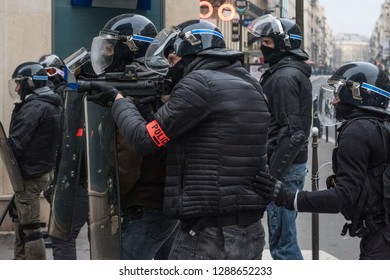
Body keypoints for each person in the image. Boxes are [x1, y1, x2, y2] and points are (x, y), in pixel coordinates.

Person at [88, 19, 271, 260]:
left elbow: (145, 139)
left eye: (172, 60)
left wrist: (118, 101)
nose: (170, 68)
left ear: (189, 53)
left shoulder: (198, 83)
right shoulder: (250, 83)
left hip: (209, 233)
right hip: (249, 228)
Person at [254, 61, 390, 260]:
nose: (334, 101)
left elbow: (344, 197)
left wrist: (287, 197)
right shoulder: (381, 126)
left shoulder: (356, 132)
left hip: (379, 240)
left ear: (357, 93)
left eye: (338, 93)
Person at [89, 13, 178, 259]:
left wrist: (112, 195)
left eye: (110, 46)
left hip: (145, 203)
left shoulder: (137, 87)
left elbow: (127, 155)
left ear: (130, 47)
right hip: (163, 200)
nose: (106, 52)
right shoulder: (156, 80)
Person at [248, 15, 312, 260]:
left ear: (283, 44)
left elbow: (292, 134)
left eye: (267, 42)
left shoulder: (284, 77)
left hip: (284, 170)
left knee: (283, 245)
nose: (263, 47)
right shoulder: (287, 72)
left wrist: (271, 176)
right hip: (289, 167)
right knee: (284, 238)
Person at [8, 62, 62, 259]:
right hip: (41, 171)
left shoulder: (35, 107)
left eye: (18, 83)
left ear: (29, 83)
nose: (16, 88)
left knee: (30, 229)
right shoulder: (49, 103)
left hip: (31, 175)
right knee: (22, 224)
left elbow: (16, 143)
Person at [39, 54, 89, 260]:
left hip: (78, 177)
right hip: (72, 176)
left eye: (50, 72)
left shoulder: (70, 97)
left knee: (63, 237)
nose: (47, 77)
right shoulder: (58, 98)